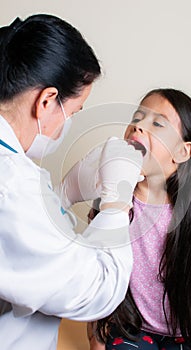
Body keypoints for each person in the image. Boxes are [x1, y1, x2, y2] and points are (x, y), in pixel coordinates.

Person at [0, 14, 144, 350]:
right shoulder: (13, 187)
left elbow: (23, 247)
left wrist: (62, 196)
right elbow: (97, 292)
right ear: (47, 100)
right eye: (76, 111)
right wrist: (116, 203)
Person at [87, 88, 191, 349]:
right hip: (132, 328)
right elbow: (98, 270)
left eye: (156, 123)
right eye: (137, 117)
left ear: (182, 152)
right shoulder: (112, 197)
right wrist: (96, 339)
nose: (137, 127)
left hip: (188, 330)